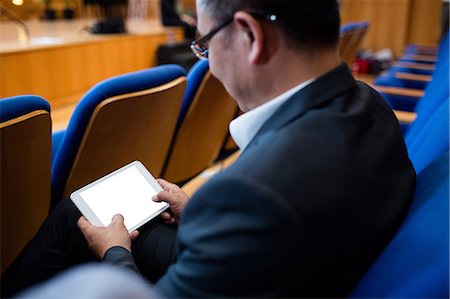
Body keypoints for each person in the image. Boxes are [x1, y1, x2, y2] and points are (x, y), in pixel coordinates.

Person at [1, 0, 415, 297]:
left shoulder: (252, 192)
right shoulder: (371, 103)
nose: (210, 64)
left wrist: (114, 253)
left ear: (251, 35)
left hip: (270, 264)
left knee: (78, 221)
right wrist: (202, 216)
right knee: (83, 210)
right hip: (290, 259)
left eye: (205, 43)